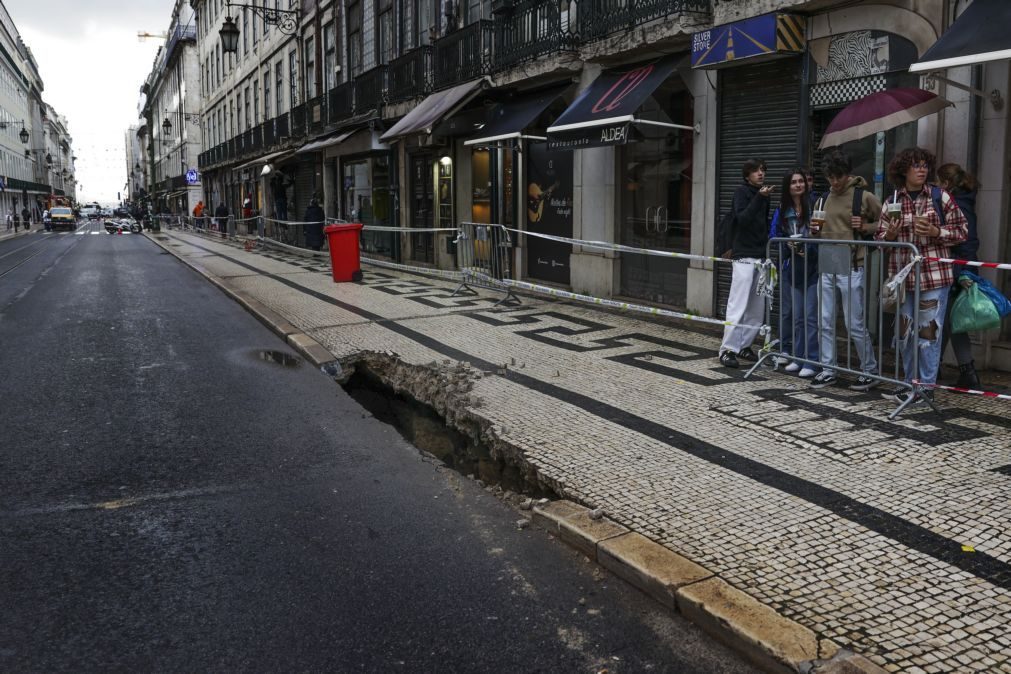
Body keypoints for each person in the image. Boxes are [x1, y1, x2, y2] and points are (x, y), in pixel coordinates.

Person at [877, 148, 968, 402]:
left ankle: (926, 387)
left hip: (933, 278)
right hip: (904, 279)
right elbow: (880, 239)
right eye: (916, 165)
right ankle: (909, 384)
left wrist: (937, 232)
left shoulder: (941, 197)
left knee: (928, 335)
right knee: (905, 334)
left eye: (925, 165)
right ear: (903, 170)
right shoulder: (892, 200)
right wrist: (890, 236)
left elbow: (962, 231)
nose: (922, 170)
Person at [809, 150, 881, 391]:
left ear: (847, 174)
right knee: (825, 320)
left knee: (854, 322)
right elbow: (816, 232)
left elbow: (887, 223)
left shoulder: (863, 196)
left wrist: (867, 225)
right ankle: (828, 369)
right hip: (828, 261)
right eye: (830, 177)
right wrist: (814, 232)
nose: (834, 181)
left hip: (851, 263)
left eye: (838, 176)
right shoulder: (822, 200)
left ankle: (869, 370)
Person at [718, 158, 772, 369]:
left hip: (760, 256)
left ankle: (744, 345)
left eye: (763, 170)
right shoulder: (742, 192)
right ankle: (727, 349)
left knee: (757, 307)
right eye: (756, 171)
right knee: (738, 303)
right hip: (743, 255)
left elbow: (762, 224)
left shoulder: (763, 195)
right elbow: (743, 219)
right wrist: (759, 197)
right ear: (747, 174)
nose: (761, 174)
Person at [770, 169, 819, 378]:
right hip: (793, 267)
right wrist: (786, 243)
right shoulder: (783, 209)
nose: (798, 185)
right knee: (798, 317)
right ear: (787, 187)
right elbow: (774, 235)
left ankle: (812, 360)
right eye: (794, 182)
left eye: (801, 181)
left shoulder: (815, 204)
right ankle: (798, 357)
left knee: (810, 316)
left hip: (814, 266)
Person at [936, 163, 980, 389]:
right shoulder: (964, 202)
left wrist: (966, 272)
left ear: (945, 184)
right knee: (951, 322)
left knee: (945, 321)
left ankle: (938, 368)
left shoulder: (957, 205)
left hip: (956, 269)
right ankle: (966, 371)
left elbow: (967, 241)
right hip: (959, 268)